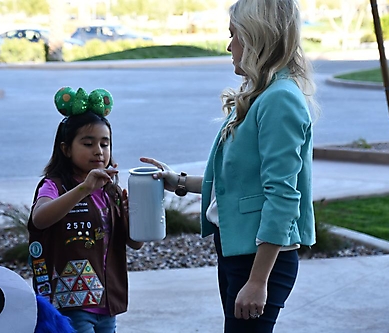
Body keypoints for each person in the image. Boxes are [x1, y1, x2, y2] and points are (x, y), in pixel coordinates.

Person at [141, 0, 317, 331]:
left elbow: (282, 196)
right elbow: (235, 181)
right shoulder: (263, 94)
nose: (229, 46)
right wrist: (176, 181)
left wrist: (257, 281)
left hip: (259, 259)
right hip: (239, 250)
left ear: (256, 38)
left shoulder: (280, 99)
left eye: (233, 35)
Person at [27, 86, 143, 333]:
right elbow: (40, 218)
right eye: (88, 143)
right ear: (66, 149)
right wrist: (85, 188)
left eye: (105, 143)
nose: (99, 151)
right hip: (71, 302)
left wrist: (135, 217)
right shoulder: (55, 185)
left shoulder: (110, 189)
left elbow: (135, 243)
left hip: (107, 302)